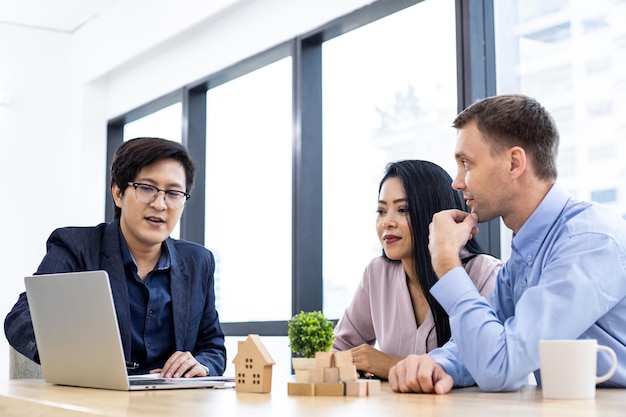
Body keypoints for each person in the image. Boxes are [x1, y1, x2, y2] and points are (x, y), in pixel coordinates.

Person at [388, 94, 626, 394]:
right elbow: (485, 342)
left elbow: (500, 367)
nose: (457, 182)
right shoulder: (527, 252)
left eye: (466, 163)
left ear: (514, 163)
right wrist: (438, 364)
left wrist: (447, 261)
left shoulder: (589, 242)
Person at [5, 137, 226, 378]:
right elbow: (21, 319)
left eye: (173, 193)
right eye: (147, 188)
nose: (160, 204)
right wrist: (79, 361)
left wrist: (201, 364)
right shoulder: (77, 248)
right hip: (96, 401)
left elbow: (213, 346)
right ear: (118, 193)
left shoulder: (198, 261)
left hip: (172, 405)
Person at [332, 160, 502, 379]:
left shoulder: (485, 273)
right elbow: (340, 349)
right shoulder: (377, 274)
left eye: (403, 209)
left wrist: (390, 365)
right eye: (381, 210)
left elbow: (484, 359)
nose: (387, 222)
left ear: (435, 214)